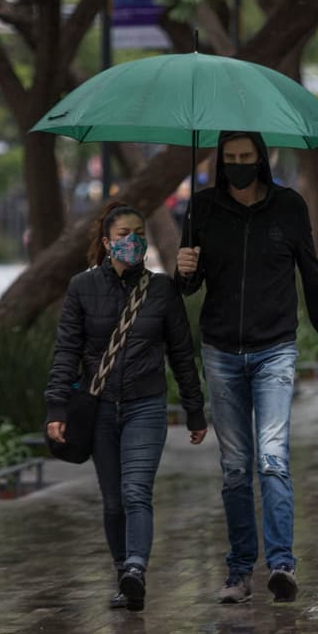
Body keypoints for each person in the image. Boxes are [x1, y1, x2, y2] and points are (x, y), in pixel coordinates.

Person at [176, 131, 318, 605]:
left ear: (262, 159)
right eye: (230, 158)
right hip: (221, 351)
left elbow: (311, 273)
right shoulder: (203, 208)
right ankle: (239, 570)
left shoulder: (288, 207)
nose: (238, 164)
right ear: (219, 162)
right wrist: (184, 268)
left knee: (272, 459)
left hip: (275, 349)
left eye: (246, 157)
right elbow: (187, 288)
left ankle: (282, 563)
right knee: (235, 468)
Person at [45, 201, 207, 612]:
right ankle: (123, 574)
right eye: (123, 235)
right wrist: (56, 407)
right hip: (99, 407)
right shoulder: (82, 288)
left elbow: (181, 353)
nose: (132, 240)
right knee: (114, 500)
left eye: (138, 233)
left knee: (136, 491)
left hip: (145, 405)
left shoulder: (161, 289)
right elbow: (66, 351)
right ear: (106, 242)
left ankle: (136, 568)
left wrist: (194, 409)